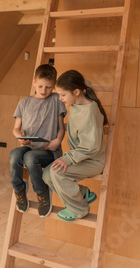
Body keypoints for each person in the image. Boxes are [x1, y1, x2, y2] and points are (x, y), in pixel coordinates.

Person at [42, 69, 108, 222]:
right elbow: (85, 84)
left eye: (63, 95)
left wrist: (68, 159)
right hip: (79, 157)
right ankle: (84, 193)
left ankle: (79, 209)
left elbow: (91, 147)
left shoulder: (89, 113)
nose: (60, 98)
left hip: (92, 160)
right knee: (47, 175)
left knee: (57, 174)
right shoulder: (78, 99)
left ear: (77, 91)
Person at [9, 64, 66, 217]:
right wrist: (21, 138)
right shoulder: (24, 102)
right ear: (34, 81)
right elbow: (16, 129)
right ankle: (19, 189)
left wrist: (57, 141)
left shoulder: (56, 100)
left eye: (48, 87)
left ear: (53, 86)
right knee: (15, 154)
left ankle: (42, 192)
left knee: (30, 157)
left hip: (49, 151)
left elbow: (61, 127)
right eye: (40, 86)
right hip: (30, 147)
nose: (43, 91)